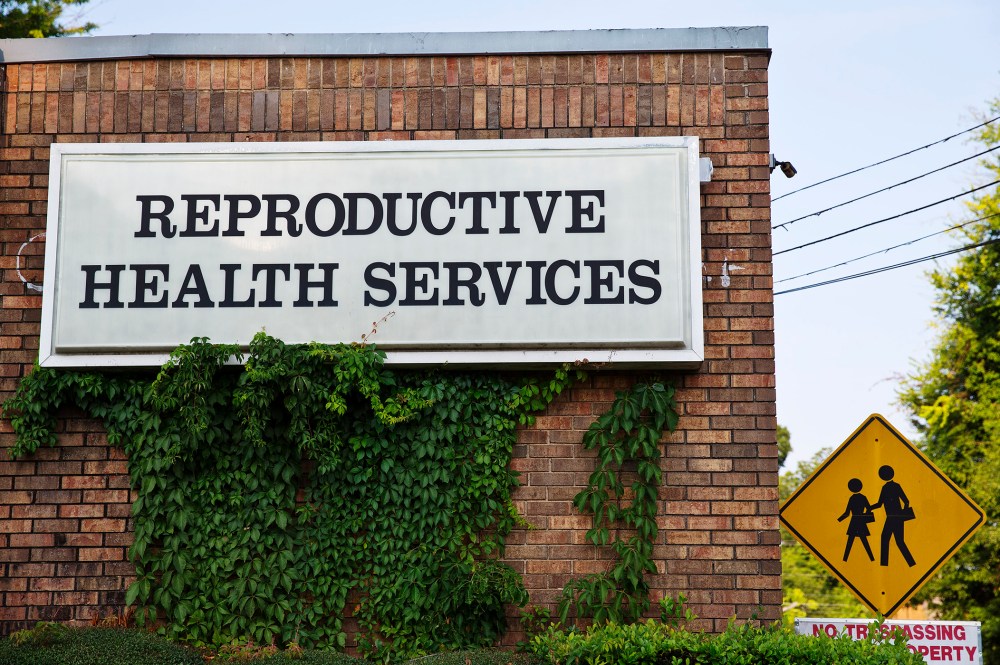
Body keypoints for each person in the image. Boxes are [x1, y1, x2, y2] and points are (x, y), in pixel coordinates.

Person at [871, 465, 915, 567]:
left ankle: (885, 564)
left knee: (888, 539)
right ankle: (910, 563)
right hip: (895, 518)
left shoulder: (887, 488)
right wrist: (902, 513)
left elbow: (880, 503)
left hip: (892, 517)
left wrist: (870, 508)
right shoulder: (893, 486)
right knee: (896, 541)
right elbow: (906, 501)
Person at [837, 478, 875, 562]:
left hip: (854, 521)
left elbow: (847, 513)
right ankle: (871, 558)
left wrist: (839, 520)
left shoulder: (852, 498)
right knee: (864, 541)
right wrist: (864, 516)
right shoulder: (863, 497)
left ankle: (845, 559)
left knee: (850, 541)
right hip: (861, 521)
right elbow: (869, 509)